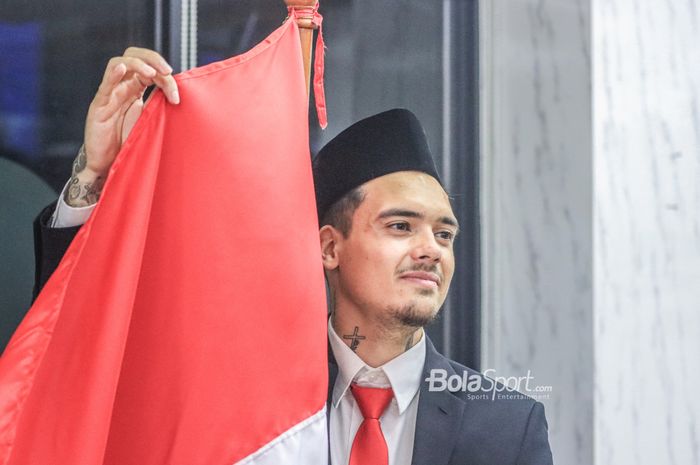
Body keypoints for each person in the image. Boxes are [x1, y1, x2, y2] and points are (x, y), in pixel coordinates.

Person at [32, 49, 554, 465]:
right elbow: (84, 357)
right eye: (400, 226)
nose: (430, 250)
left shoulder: (505, 423)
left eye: (445, 234)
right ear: (329, 247)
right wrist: (94, 175)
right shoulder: (252, 394)